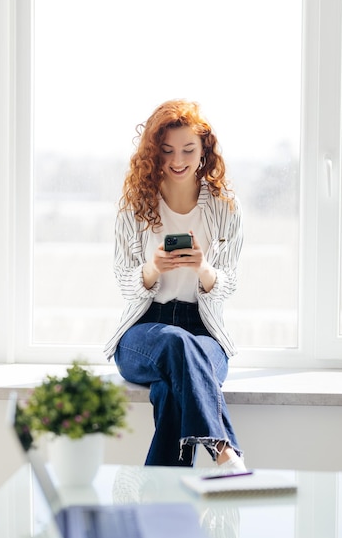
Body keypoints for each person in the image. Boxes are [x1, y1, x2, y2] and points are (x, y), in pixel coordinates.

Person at [104, 99, 245, 472]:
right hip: (146, 332)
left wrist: (203, 269)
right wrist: (151, 270)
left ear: (204, 151)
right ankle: (224, 448)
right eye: (167, 151)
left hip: (204, 333)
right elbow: (123, 280)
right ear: (154, 153)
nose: (177, 159)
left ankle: (162, 506)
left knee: (170, 391)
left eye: (187, 149)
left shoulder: (224, 208)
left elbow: (229, 284)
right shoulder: (136, 206)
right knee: (176, 342)